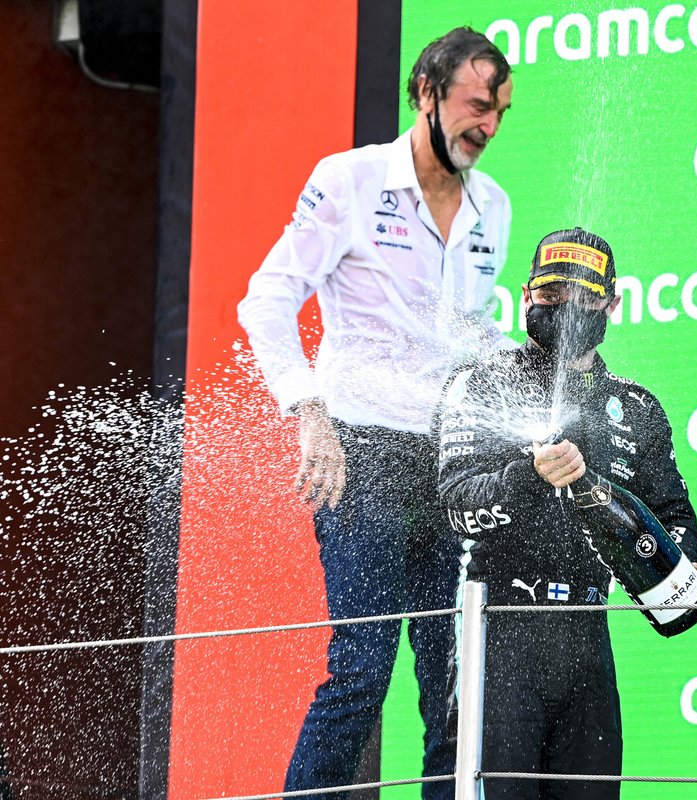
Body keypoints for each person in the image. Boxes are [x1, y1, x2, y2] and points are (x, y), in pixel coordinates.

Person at [237, 27, 514, 800]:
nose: (487, 126)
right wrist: (309, 412)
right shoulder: (350, 180)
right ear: (426, 91)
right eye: (475, 105)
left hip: (449, 465)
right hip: (360, 451)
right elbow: (266, 301)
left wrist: (529, 377)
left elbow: (464, 332)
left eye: (499, 113)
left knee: (450, 683)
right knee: (361, 672)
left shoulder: (494, 204)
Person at [433, 228, 697, 799]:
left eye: (586, 298)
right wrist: (526, 478)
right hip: (500, 634)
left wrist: (679, 564)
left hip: (589, 639)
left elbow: (674, 516)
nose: (567, 309)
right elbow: (455, 508)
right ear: (525, 298)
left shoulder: (637, 407)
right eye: (553, 295)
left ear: (613, 304)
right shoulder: (482, 384)